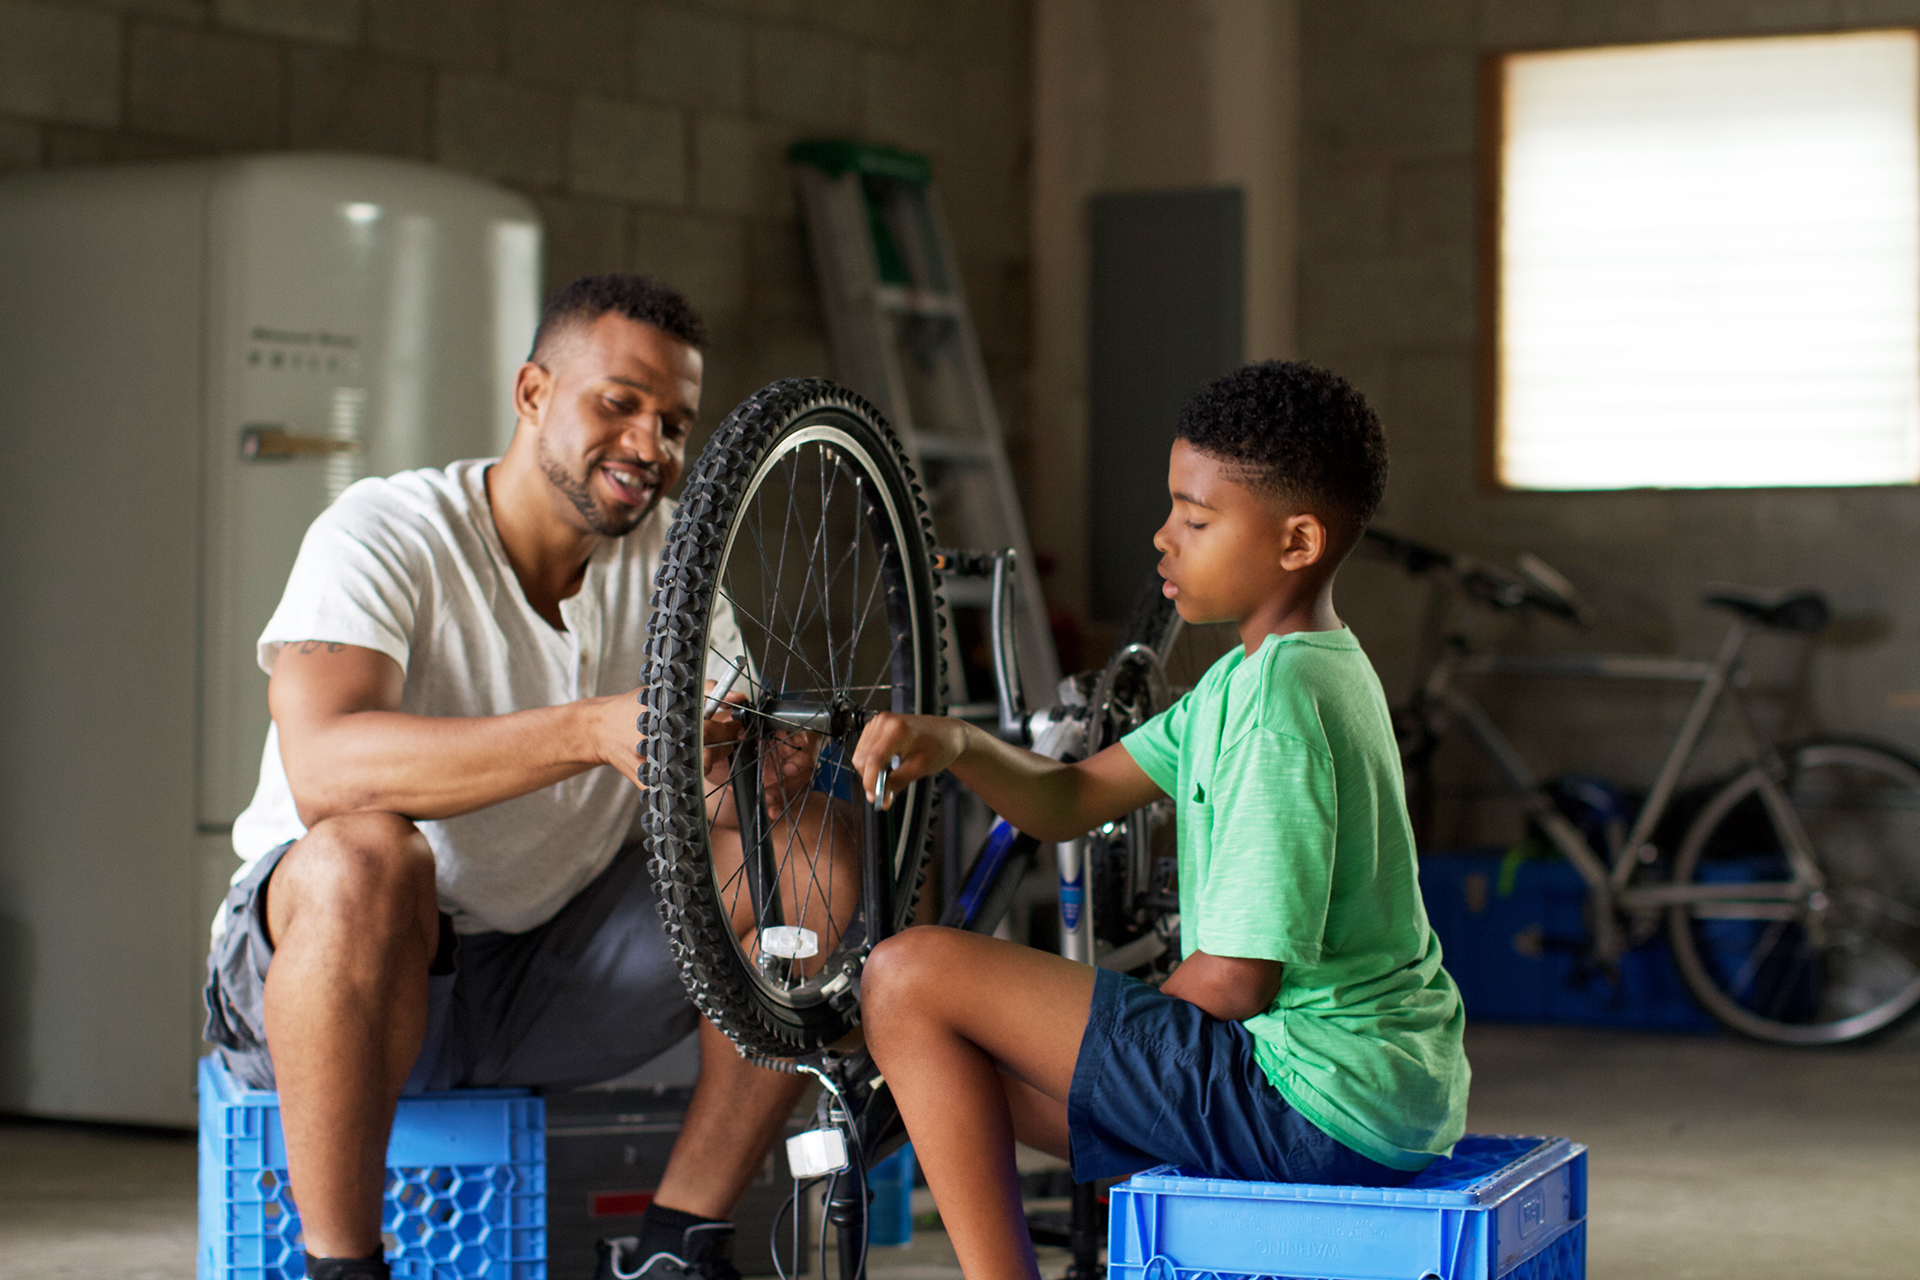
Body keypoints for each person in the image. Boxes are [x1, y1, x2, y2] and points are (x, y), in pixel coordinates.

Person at [202, 274, 823, 1280]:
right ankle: (343, 1267)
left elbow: (711, 799)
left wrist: (758, 771)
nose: (650, 446)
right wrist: (585, 731)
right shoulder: (386, 529)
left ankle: (676, 1245)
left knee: (813, 855)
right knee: (366, 854)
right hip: (337, 969)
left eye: (674, 422)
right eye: (617, 402)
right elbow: (324, 770)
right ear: (533, 392)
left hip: (546, 976)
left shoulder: (672, 561)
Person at [850, 361, 1470, 1280]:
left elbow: (1236, 981)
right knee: (948, 1062)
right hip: (1373, 1096)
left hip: (1318, 1105)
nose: (1163, 539)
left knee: (906, 977)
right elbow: (1068, 801)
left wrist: (1108, 1062)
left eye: (1196, 518)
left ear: (1297, 541)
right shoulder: (1251, 678)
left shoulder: (1281, 712)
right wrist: (960, 746)